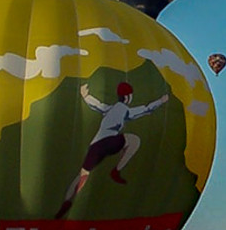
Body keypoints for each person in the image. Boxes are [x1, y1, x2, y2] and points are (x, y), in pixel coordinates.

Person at [55, 82, 169, 218]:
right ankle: (117, 170)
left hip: (95, 146)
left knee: (82, 175)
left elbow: (96, 105)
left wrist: (85, 96)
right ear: (127, 97)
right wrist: (161, 101)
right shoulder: (123, 109)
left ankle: (67, 202)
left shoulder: (109, 108)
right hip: (109, 142)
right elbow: (145, 109)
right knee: (134, 140)